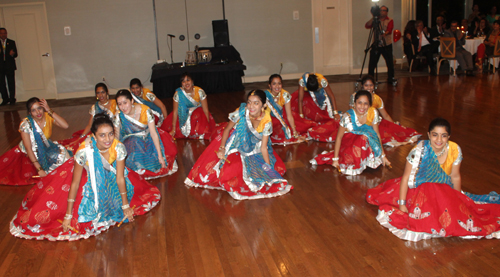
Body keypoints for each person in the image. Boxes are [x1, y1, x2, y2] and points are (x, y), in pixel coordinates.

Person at [10, 113, 162, 241]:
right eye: (102, 135)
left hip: (109, 175)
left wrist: (125, 206)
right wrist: (68, 215)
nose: (108, 139)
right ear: (93, 136)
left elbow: (120, 178)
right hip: (84, 173)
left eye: (110, 133)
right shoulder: (84, 151)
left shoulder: (118, 147)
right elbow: (74, 184)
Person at [366, 118, 500, 241]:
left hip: (443, 189)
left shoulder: (454, 150)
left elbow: (455, 176)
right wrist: (402, 204)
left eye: (444, 135)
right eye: (435, 135)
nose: (439, 140)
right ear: (429, 135)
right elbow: (406, 177)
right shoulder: (419, 151)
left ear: (449, 137)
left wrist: (458, 200)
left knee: (459, 214)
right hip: (419, 189)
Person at [185, 90, 292, 200]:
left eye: (256, 103)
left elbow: (263, 147)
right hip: (235, 143)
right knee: (228, 171)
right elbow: (227, 129)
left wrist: (268, 168)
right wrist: (222, 148)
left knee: (262, 173)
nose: (251, 106)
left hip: (255, 148)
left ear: (264, 105)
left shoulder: (266, 121)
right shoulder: (241, 112)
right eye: (249, 102)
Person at [310, 90, 391, 175]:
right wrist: (335, 159)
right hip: (349, 145)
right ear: (354, 103)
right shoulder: (347, 117)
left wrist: (383, 156)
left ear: (369, 105)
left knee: (366, 136)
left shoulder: (373, 113)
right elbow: (339, 137)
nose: (362, 106)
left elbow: (376, 134)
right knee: (363, 137)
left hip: (363, 144)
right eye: (359, 103)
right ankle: (356, 160)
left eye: (366, 103)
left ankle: (365, 159)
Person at [0, 98, 72, 185]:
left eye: (39, 108)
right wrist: (39, 169)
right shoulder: (26, 124)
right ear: (30, 113)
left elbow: (66, 126)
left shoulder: (48, 116)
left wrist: (49, 110)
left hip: (46, 147)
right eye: (34, 110)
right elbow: (29, 148)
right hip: (27, 153)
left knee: (65, 158)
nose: (38, 112)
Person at [114, 89, 177, 179]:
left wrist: (160, 156)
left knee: (169, 152)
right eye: (119, 104)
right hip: (131, 142)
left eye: (125, 102)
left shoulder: (145, 111)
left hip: (148, 139)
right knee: (134, 143)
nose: (123, 107)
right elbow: (116, 136)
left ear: (132, 101)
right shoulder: (119, 115)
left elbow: (153, 133)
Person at [348, 75, 420, 146]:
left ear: (374, 86)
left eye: (371, 85)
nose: (369, 88)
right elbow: (352, 113)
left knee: (390, 133)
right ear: (362, 85)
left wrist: (394, 126)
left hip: (374, 124)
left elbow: (385, 115)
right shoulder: (355, 96)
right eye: (366, 85)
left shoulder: (377, 99)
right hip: (358, 124)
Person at [58, 83, 118, 153]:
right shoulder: (95, 107)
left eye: (103, 92)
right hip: (99, 134)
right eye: (98, 93)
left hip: (113, 132)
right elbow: (90, 125)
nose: (101, 95)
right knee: (81, 146)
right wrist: (81, 137)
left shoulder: (115, 104)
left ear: (107, 92)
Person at [265, 74, 317, 145]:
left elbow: (289, 115)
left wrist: (295, 132)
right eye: (274, 84)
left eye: (279, 83)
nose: (277, 86)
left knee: (295, 127)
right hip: (268, 119)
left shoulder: (285, 95)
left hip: (282, 117)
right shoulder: (265, 96)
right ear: (269, 86)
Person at [163, 73, 215, 140]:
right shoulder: (178, 94)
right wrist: (173, 129)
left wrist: (207, 124)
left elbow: (205, 110)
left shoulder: (199, 92)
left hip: (198, 117)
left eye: (188, 80)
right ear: (181, 84)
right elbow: (175, 112)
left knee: (201, 130)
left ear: (192, 81)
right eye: (183, 81)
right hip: (182, 116)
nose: (186, 83)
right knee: (172, 132)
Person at [365, 6, 396, 84]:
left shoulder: (390, 20)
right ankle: (370, 79)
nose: (381, 12)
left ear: (386, 12)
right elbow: (367, 25)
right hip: (376, 44)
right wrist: (374, 17)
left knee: (389, 62)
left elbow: (390, 29)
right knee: (372, 63)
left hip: (386, 44)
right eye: (380, 10)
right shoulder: (376, 20)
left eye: (383, 10)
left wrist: (384, 33)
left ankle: (391, 78)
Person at [0, 28, 17, 106]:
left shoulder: (11, 42)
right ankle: (5, 99)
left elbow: (16, 54)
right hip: (0, 66)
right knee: (1, 83)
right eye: (2, 33)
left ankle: (12, 99)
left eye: (5, 33)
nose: (4, 34)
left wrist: (12, 54)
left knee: (11, 83)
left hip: (9, 66)